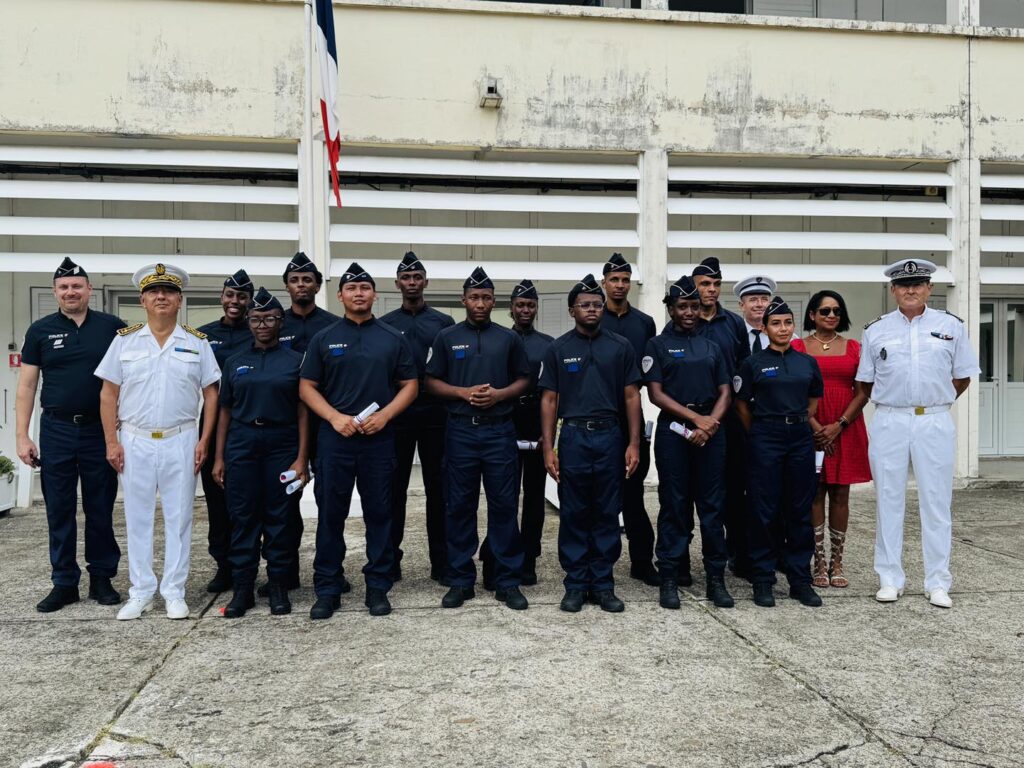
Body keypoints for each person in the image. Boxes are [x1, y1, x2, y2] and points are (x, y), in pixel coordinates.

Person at [96, 263, 220, 620]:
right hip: (133, 439)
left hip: (180, 439)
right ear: (143, 300)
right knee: (137, 517)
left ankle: (174, 591)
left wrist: (204, 440)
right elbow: (108, 393)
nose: (161, 297)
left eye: (168, 292)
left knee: (180, 517)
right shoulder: (124, 341)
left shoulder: (197, 343)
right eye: (154, 292)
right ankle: (141, 591)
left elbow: (211, 394)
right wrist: (111, 442)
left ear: (179, 300)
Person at [855, 258, 980, 609]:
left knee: (937, 503)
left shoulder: (951, 326)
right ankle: (889, 578)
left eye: (919, 283)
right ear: (893, 290)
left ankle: (937, 581)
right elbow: (865, 380)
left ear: (929, 288)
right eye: (903, 284)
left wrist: (935, 400)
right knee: (888, 500)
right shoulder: (876, 330)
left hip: (934, 420)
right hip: (890, 419)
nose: (911, 289)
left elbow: (963, 375)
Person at [299, 262, 417, 619]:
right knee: (330, 515)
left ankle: (378, 587)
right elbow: (306, 387)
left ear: (375, 295)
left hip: (378, 440)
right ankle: (328, 587)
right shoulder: (324, 337)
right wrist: (335, 417)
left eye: (365, 288)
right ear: (340, 296)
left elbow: (410, 384)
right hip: (336, 439)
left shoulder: (393, 337)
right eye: (352, 289)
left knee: (380, 514)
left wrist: (385, 415)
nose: (359, 293)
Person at [17, 258, 126, 613]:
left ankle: (101, 579)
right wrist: (22, 435)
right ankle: (64, 583)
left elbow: (131, 377)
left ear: (89, 290)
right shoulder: (40, 330)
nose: (70, 292)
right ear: (55, 292)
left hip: (98, 429)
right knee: (59, 509)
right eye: (63, 287)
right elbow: (27, 385)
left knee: (100, 506)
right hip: (57, 429)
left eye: (77, 286)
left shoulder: (113, 328)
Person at [425, 267, 532, 611]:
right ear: (464, 300)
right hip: (461, 431)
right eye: (474, 297)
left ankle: (507, 580)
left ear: (494, 301)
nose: (480, 303)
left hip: (500, 431)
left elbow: (524, 379)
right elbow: (431, 381)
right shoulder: (446, 337)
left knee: (503, 505)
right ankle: (460, 579)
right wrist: (461, 392)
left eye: (486, 297)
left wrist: (500, 395)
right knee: (459, 506)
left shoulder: (508, 338)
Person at [539, 274, 642, 613]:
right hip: (575, 437)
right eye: (585, 305)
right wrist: (548, 447)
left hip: (610, 435)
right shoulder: (559, 348)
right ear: (572, 311)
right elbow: (550, 400)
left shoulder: (620, 346)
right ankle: (575, 584)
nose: (592, 310)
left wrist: (634, 443)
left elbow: (631, 397)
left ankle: (602, 583)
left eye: (597, 305)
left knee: (607, 511)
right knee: (574, 510)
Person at [212, 288, 309, 618]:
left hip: (282, 443)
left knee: (280, 518)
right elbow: (225, 410)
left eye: (269, 318)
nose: (263, 324)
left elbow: (302, 412)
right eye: (256, 319)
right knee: (243, 517)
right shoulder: (236, 361)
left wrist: (301, 458)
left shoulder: (296, 361)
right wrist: (220, 457)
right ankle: (243, 589)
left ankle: (279, 587)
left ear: (281, 322)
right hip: (242, 443)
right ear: (249, 322)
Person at [644, 276, 734, 610]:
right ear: (670, 308)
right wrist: (696, 420)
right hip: (674, 433)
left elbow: (726, 390)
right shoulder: (657, 345)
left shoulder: (713, 345)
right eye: (682, 306)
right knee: (675, 506)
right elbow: (655, 393)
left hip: (712, 430)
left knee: (712, 509)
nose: (689, 312)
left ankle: (716, 579)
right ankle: (669, 577)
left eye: (694, 306)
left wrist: (710, 424)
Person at [734, 296, 823, 608]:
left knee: (799, 509)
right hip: (765, 437)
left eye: (787, 322)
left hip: (799, 436)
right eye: (776, 323)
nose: (782, 328)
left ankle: (800, 579)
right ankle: (763, 578)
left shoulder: (806, 362)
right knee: (763, 509)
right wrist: (760, 432)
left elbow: (813, 400)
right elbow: (742, 405)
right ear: (765, 327)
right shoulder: (753, 363)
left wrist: (797, 421)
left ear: (794, 326)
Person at [379, 251, 454, 584]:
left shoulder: (443, 324)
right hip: (398, 417)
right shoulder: (386, 325)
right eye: (406, 278)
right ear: (397, 284)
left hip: (436, 415)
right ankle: (390, 561)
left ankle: (442, 562)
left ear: (425, 282)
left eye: (417, 277)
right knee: (393, 491)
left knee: (439, 491)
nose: (412, 283)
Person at [791, 290, 871, 589]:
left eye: (837, 311)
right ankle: (819, 561)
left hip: (845, 425)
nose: (831, 316)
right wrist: (815, 426)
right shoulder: (798, 347)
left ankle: (837, 560)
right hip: (809, 425)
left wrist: (838, 425)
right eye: (824, 311)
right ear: (812, 315)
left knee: (840, 493)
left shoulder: (854, 348)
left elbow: (863, 391)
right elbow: (793, 389)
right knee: (814, 491)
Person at [480, 279, 553, 587]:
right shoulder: (498, 339)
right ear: (510, 308)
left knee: (535, 498)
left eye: (530, 305)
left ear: (536, 308)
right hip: (505, 423)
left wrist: (548, 436)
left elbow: (553, 391)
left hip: (536, 425)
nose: (526, 309)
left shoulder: (548, 344)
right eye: (520, 304)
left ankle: (528, 559)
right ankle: (496, 555)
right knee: (503, 497)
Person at [275, 252, 341, 595]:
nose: (301, 285)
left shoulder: (332, 325)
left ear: (317, 284)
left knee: (331, 500)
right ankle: (284, 574)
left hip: (325, 424)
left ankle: (332, 570)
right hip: (283, 426)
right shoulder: (274, 322)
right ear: (287, 285)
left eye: (307, 279)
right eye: (295, 280)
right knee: (284, 503)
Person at [599, 252, 659, 587]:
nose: (620, 285)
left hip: (633, 418)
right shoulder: (593, 316)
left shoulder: (644, 322)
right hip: (600, 418)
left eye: (625, 280)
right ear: (604, 283)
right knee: (602, 497)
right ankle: (601, 563)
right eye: (614, 280)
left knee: (633, 495)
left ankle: (641, 561)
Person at [692, 257, 750, 582]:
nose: (711, 290)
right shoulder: (685, 320)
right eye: (705, 284)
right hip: (694, 417)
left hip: (730, 419)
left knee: (734, 490)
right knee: (692, 492)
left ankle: (736, 555)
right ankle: (686, 562)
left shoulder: (733, 323)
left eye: (715, 284)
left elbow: (742, 366)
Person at [197, 269, 254, 594]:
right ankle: (224, 567)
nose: (235, 302)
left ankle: (249, 564)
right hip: (213, 426)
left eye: (241, 296)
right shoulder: (202, 336)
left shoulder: (260, 330)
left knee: (249, 506)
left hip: (249, 426)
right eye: (230, 295)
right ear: (222, 297)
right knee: (217, 505)